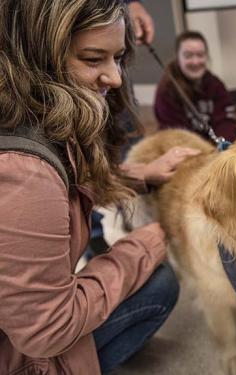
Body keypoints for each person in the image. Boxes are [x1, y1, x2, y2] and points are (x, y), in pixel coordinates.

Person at [0, 1, 199, 374]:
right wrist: (160, 235)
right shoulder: (24, 173)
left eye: (119, 57)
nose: (116, 78)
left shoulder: (38, 114)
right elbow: (48, 331)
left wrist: (142, 175)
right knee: (160, 281)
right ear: (40, 55)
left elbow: (72, 187)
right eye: (93, 59)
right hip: (25, 352)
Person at [154, 31, 236, 142]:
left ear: (206, 56)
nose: (195, 61)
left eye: (200, 55)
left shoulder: (216, 85)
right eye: (188, 56)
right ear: (178, 57)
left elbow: (226, 122)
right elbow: (174, 134)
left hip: (214, 148)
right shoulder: (167, 90)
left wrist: (222, 146)